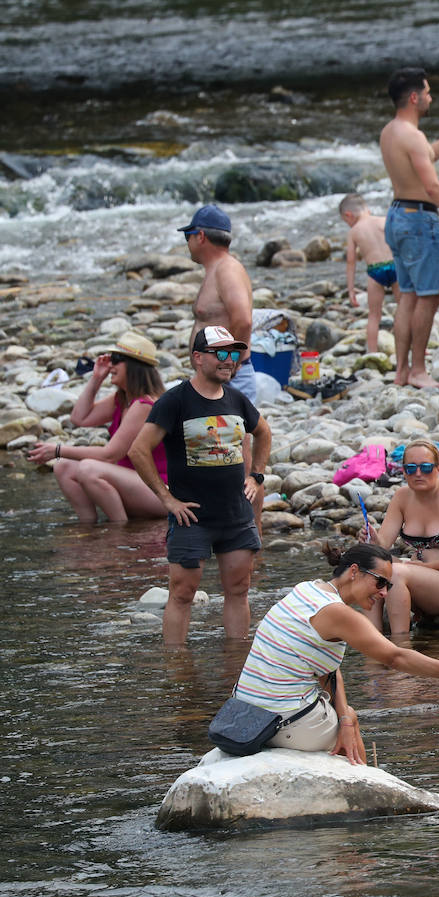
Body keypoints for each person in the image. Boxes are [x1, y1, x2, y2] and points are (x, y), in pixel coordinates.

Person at [234, 543, 439, 762]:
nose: (384, 593)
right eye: (380, 582)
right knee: (351, 721)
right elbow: (395, 657)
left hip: (247, 715)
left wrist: (343, 715)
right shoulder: (338, 613)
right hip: (283, 724)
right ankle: (365, 786)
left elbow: (328, 667)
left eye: (388, 585)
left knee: (348, 715)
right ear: (354, 572)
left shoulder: (307, 589)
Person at [128, 326, 272, 645]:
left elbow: (263, 432)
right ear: (197, 358)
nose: (229, 361)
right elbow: (138, 450)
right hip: (191, 518)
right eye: (221, 353)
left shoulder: (237, 399)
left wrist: (256, 476)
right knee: (182, 594)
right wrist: (167, 500)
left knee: (239, 590)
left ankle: (235, 667)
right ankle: (177, 672)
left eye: (233, 354)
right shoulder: (175, 401)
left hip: (235, 515)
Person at [379, 67, 439, 388]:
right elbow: (432, 186)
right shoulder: (413, 136)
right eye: (428, 92)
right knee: (430, 295)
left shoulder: (391, 132)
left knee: (407, 295)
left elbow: (430, 155)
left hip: (397, 215)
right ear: (413, 97)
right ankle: (419, 370)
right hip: (420, 219)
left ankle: (402, 372)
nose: (430, 97)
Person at [27, 331, 167, 523]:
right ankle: (88, 528)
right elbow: (79, 418)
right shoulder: (122, 399)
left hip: (161, 491)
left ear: (135, 367)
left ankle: (118, 529)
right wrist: (96, 379)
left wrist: (58, 450)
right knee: (64, 467)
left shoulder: (144, 405)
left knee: (89, 469)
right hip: (134, 483)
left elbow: (110, 454)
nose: (110, 366)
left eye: (116, 359)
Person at [367, 440, 439, 633]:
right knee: (372, 564)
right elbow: (383, 546)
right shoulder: (402, 497)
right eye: (411, 468)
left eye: (426, 467)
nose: (418, 473)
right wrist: (372, 541)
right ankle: (372, 641)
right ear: (404, 471)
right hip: (420, 577)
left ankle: (401, 647)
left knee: (395, 572)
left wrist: (427, 568)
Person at [181, 204, 257, 405]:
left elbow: (243, 321)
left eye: (188, 235)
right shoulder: (216, 270)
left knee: (235, 435)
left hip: (229, 379)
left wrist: (230, 364)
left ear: (201, 236)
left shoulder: (227, 270)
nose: (187, 242)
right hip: (217, 377)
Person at [339, 193, 398, 354]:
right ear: (367, 209)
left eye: (346, 222)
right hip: (395, 267)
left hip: (375, 271)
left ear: (348, 215)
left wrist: (351, 289)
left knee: (374, 316)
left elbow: (351, 261)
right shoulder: (384, 220)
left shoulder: (354, 232)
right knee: (404, 309)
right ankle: (413, 347)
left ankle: (371, 351)